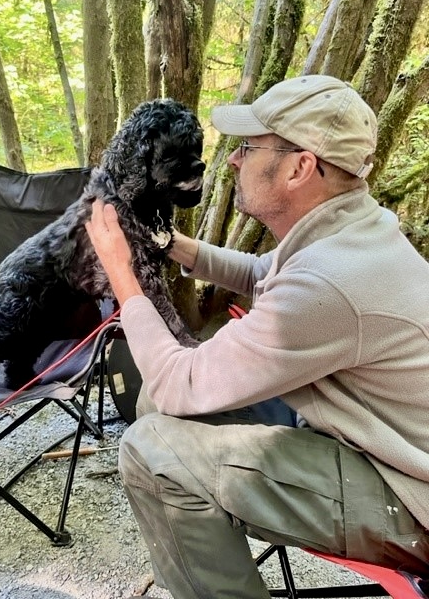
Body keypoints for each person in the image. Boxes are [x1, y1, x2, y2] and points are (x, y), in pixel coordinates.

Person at [85, 75, 429, 599]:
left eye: (248, 147)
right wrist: (168, 241)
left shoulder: (329, 281)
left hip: (407, 496)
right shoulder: (350, 229)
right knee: (156, 403)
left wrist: (120, 271)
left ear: (299, 168)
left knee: (153, 449)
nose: (232, 160)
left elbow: (181, 382)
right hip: (369, 436)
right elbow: (261, 272)